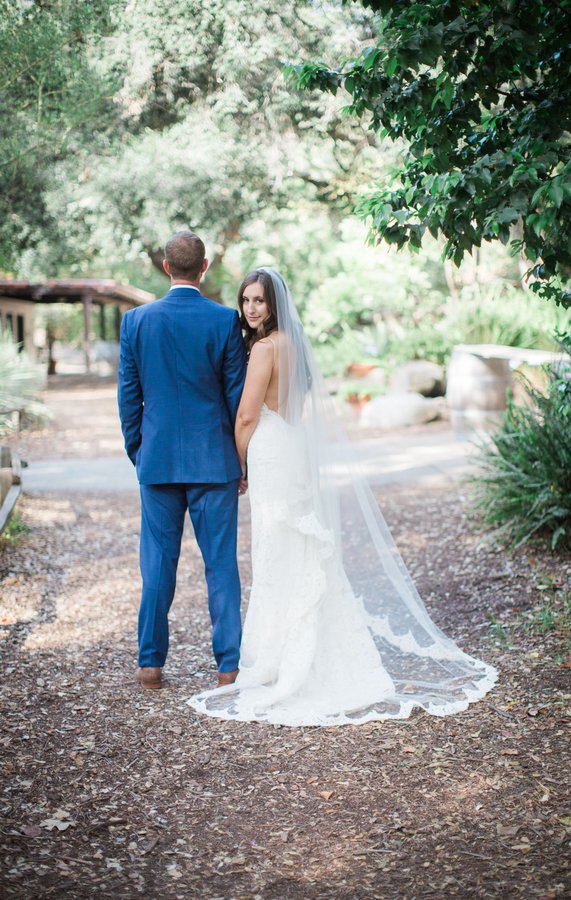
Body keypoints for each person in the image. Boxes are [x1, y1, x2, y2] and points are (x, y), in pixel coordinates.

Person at [188, 268, 497, 726]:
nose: (250, 309)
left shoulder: (265, 350)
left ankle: (283, 657)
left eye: (258, 301)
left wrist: (239, 463)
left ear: (274, 304)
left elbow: (248, 416)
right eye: (246, 300)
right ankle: (307, 645)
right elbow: (291, 407)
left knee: (277, 551)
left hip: (271, 453)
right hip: (291, 447)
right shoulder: (293, 346)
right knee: (298, 547)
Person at [118, 230, 247, 691]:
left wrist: (141, 452)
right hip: (215, 462)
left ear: (167, 267)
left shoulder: (135, 322)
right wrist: (242, 461)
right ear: (205, 266)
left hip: (157, 463)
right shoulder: (224, 321)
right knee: (221, 564)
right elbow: (237, 399)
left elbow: (128, 400)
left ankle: (150, 665)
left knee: (156, 564)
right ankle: (228, 667)